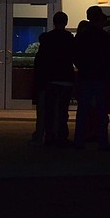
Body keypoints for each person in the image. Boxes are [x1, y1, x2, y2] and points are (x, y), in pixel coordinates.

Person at [73, 6, 110, 151]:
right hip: (101, 77)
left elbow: (76, 55)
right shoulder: (105, 37)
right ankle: (102, 140)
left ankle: (79, 140)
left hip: (85, 76)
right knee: (101, 111)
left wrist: (83, 68)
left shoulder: (82, 36)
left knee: (83, 110)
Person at [33, 11, 75, 147]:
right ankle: (62, 136)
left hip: (50, 79)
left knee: (50, 110)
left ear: (53, 22)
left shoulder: (47, 38)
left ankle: (50, 136)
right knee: (63, 110)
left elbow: (41, 60)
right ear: (66, 22)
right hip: (66, 78)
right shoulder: (70, 39)